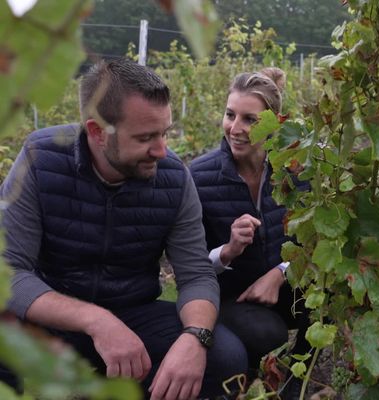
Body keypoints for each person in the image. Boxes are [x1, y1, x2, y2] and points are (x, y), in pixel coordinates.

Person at [0, 58, 247, 400]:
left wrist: (195, 336)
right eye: (146, 137)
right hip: (52, 309)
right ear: (98, 132)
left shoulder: (174, 178)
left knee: (225, 358)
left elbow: (196, 275)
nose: (162, 150)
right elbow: (10, 271)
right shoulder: (41, 159)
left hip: (133, 311)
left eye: (165, 132)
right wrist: (96, 320)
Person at [189, 68, 310, 398]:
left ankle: (298, 379)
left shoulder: (296, 172)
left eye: (250, 120)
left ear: (275, 123)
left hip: (283, 286)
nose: (235, 128)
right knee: (265, 332)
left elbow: (312, 239)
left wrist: (279, 272)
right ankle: (252, 376)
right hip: (229, 295)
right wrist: (227, 251)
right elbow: (188, 264)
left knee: (324, 301)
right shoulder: (199, 177)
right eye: (230, 115)